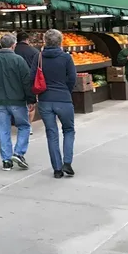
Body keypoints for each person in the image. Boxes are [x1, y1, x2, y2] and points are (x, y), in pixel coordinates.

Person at [0, 33, 34, 171]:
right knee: (24, 126)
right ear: (13, 45)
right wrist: (31, 99)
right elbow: (26, 81)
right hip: (17, 100)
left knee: (3, 129)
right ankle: (19, 153)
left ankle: (6, 160)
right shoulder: (19, 60)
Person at [31, 29, 76, 179]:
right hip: (63, 99)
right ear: (60, 41)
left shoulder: (39, 57)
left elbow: (32, 78)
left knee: (52, 134)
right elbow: (72, 79)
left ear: (45, 41)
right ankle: (67, 162)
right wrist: (66, 91)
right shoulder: (66, 58)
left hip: (45, 100)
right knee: (69, 130)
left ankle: (57, 168)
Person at [15, 31, 40, 134]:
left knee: (19, 104)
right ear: (27, 40)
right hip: (30, 81)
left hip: (15, 81)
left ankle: (21, 124)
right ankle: (29, 126)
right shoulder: (34, 51)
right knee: (31, 104)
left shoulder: (13, 50)